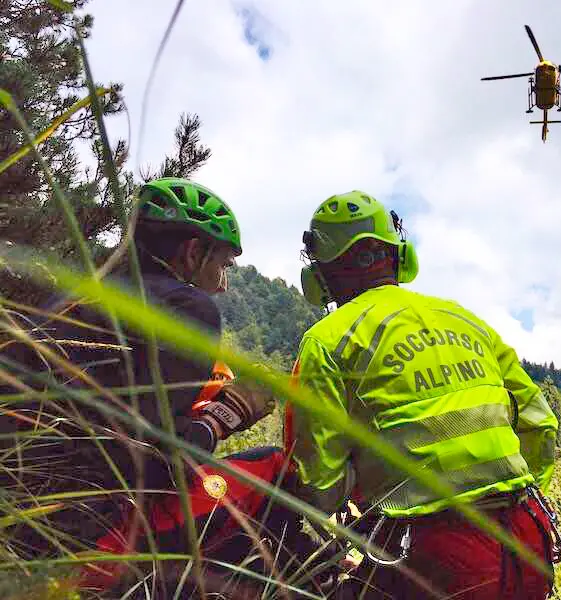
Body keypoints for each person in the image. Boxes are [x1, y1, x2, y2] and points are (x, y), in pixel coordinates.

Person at [286, 190, 559, 599]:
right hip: (526, 536)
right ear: (399, 255)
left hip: (435, 549)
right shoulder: (465, 320)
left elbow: (317, 482)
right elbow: (541, 428)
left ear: (319, 277)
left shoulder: (326, 341)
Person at [2, 178, 275, 553]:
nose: (224, 285)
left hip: (15, 503)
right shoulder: (187, 308)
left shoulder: (72, 296)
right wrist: (222, 418)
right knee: (268, 468)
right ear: (193, 252)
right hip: (78, 528)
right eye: (223, 264)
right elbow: (154, 460)